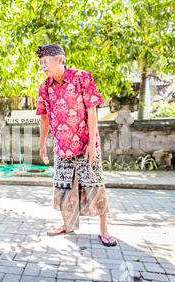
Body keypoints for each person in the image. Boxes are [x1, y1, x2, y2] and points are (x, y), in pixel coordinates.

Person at [36, 44, 117, 247]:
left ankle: (103, 229)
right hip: (62, 147)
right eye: (41, 62)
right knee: (64, 187)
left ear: (60, 60)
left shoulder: (82, 77)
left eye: (46, 61)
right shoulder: (44, 86)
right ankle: (67, 224)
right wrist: (42, 144)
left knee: (95, 185)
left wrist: (91, 142)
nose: (43, 65)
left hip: (85, 145)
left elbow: (92, 111)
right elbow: (44, 118)